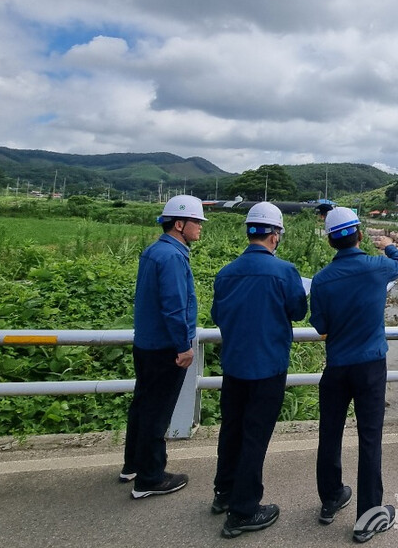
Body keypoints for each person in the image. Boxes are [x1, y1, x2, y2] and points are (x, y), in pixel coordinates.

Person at [309, 207, 398, 543]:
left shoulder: (322, 279)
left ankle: (330, 498)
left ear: (330, 242)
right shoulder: (377, 266)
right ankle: (368, 515)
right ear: (359, 235)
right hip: (370, 366)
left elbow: (320, 326)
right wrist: (389, 245)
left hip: (336, 367)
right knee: (370, 438)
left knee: (330, 434)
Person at [210, 202, 308, 539]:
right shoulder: (285, 272)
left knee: (232, 429)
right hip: (267, 366)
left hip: (234, 364)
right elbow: (297, 311)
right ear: (275, 234)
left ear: (249, 231)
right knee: (255, 436)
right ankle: (244, 510)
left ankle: (223, 493)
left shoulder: (226, 272)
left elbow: (218, 315)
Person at [122, 195, 205, 499]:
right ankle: (151, 477)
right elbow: (174, 306)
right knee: (157, 412)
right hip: (165, 347)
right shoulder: (172, 257)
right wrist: (183, 346)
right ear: (179, 224)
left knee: (143, 406)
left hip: (146, 342)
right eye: (196, 222)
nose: (200, 228)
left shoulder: (155, 251)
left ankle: (132, 464)